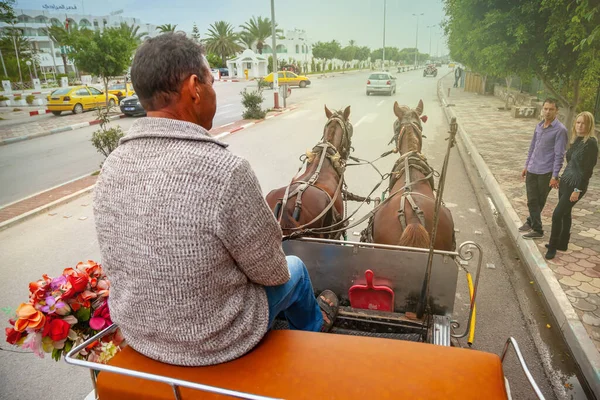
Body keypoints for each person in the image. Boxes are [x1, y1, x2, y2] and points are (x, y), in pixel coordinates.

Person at [93, 33, 339, 367]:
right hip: (216, 341)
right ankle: (312, 330)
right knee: (295, 269)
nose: (213, 90)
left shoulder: (112, 164)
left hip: (140, 332)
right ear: (194, 87)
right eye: (211, 81)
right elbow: (271, 272)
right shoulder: (224, 169)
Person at [545, 112, 598, 259]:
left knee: (557, 215)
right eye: (578, 122)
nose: (580, 126)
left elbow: (587, 171)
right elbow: (571, 164)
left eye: (584, 123)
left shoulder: (591, 143)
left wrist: (577, 190)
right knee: (565, 214)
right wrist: (560, 178)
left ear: (589, 125)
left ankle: (553, 247)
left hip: (576, 186)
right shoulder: (577, 140)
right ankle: (563, 243)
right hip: (566, 182)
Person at [519, 99, 568, 239]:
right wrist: (526, 166)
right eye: (545, 109)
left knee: (538, 201)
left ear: (556, 111)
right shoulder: (539, 126)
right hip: (532, 168)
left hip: (546, 172)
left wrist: (555, 175)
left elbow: (559, 155)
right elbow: (532, 148)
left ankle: (538, 230)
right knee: (532, 200)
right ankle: (531, 222)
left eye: (551, 109)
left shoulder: (560, 130)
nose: (547, 112)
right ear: (542, 109)